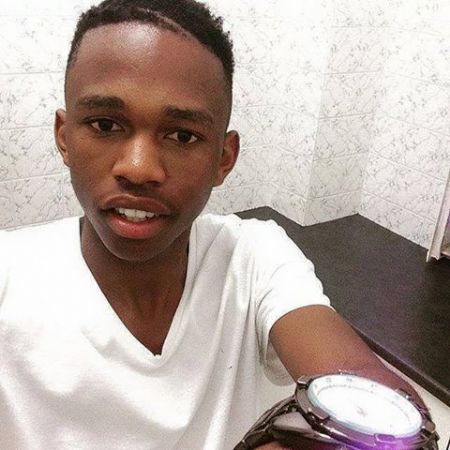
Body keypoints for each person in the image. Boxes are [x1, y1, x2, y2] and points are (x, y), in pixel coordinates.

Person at [0, 1, 429, 449]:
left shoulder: (254, 258)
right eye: (105, 125)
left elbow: (380, 403)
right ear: (64, 137)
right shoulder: (9, 275)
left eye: (182, 135)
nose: (139, 168)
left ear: (223, 158)